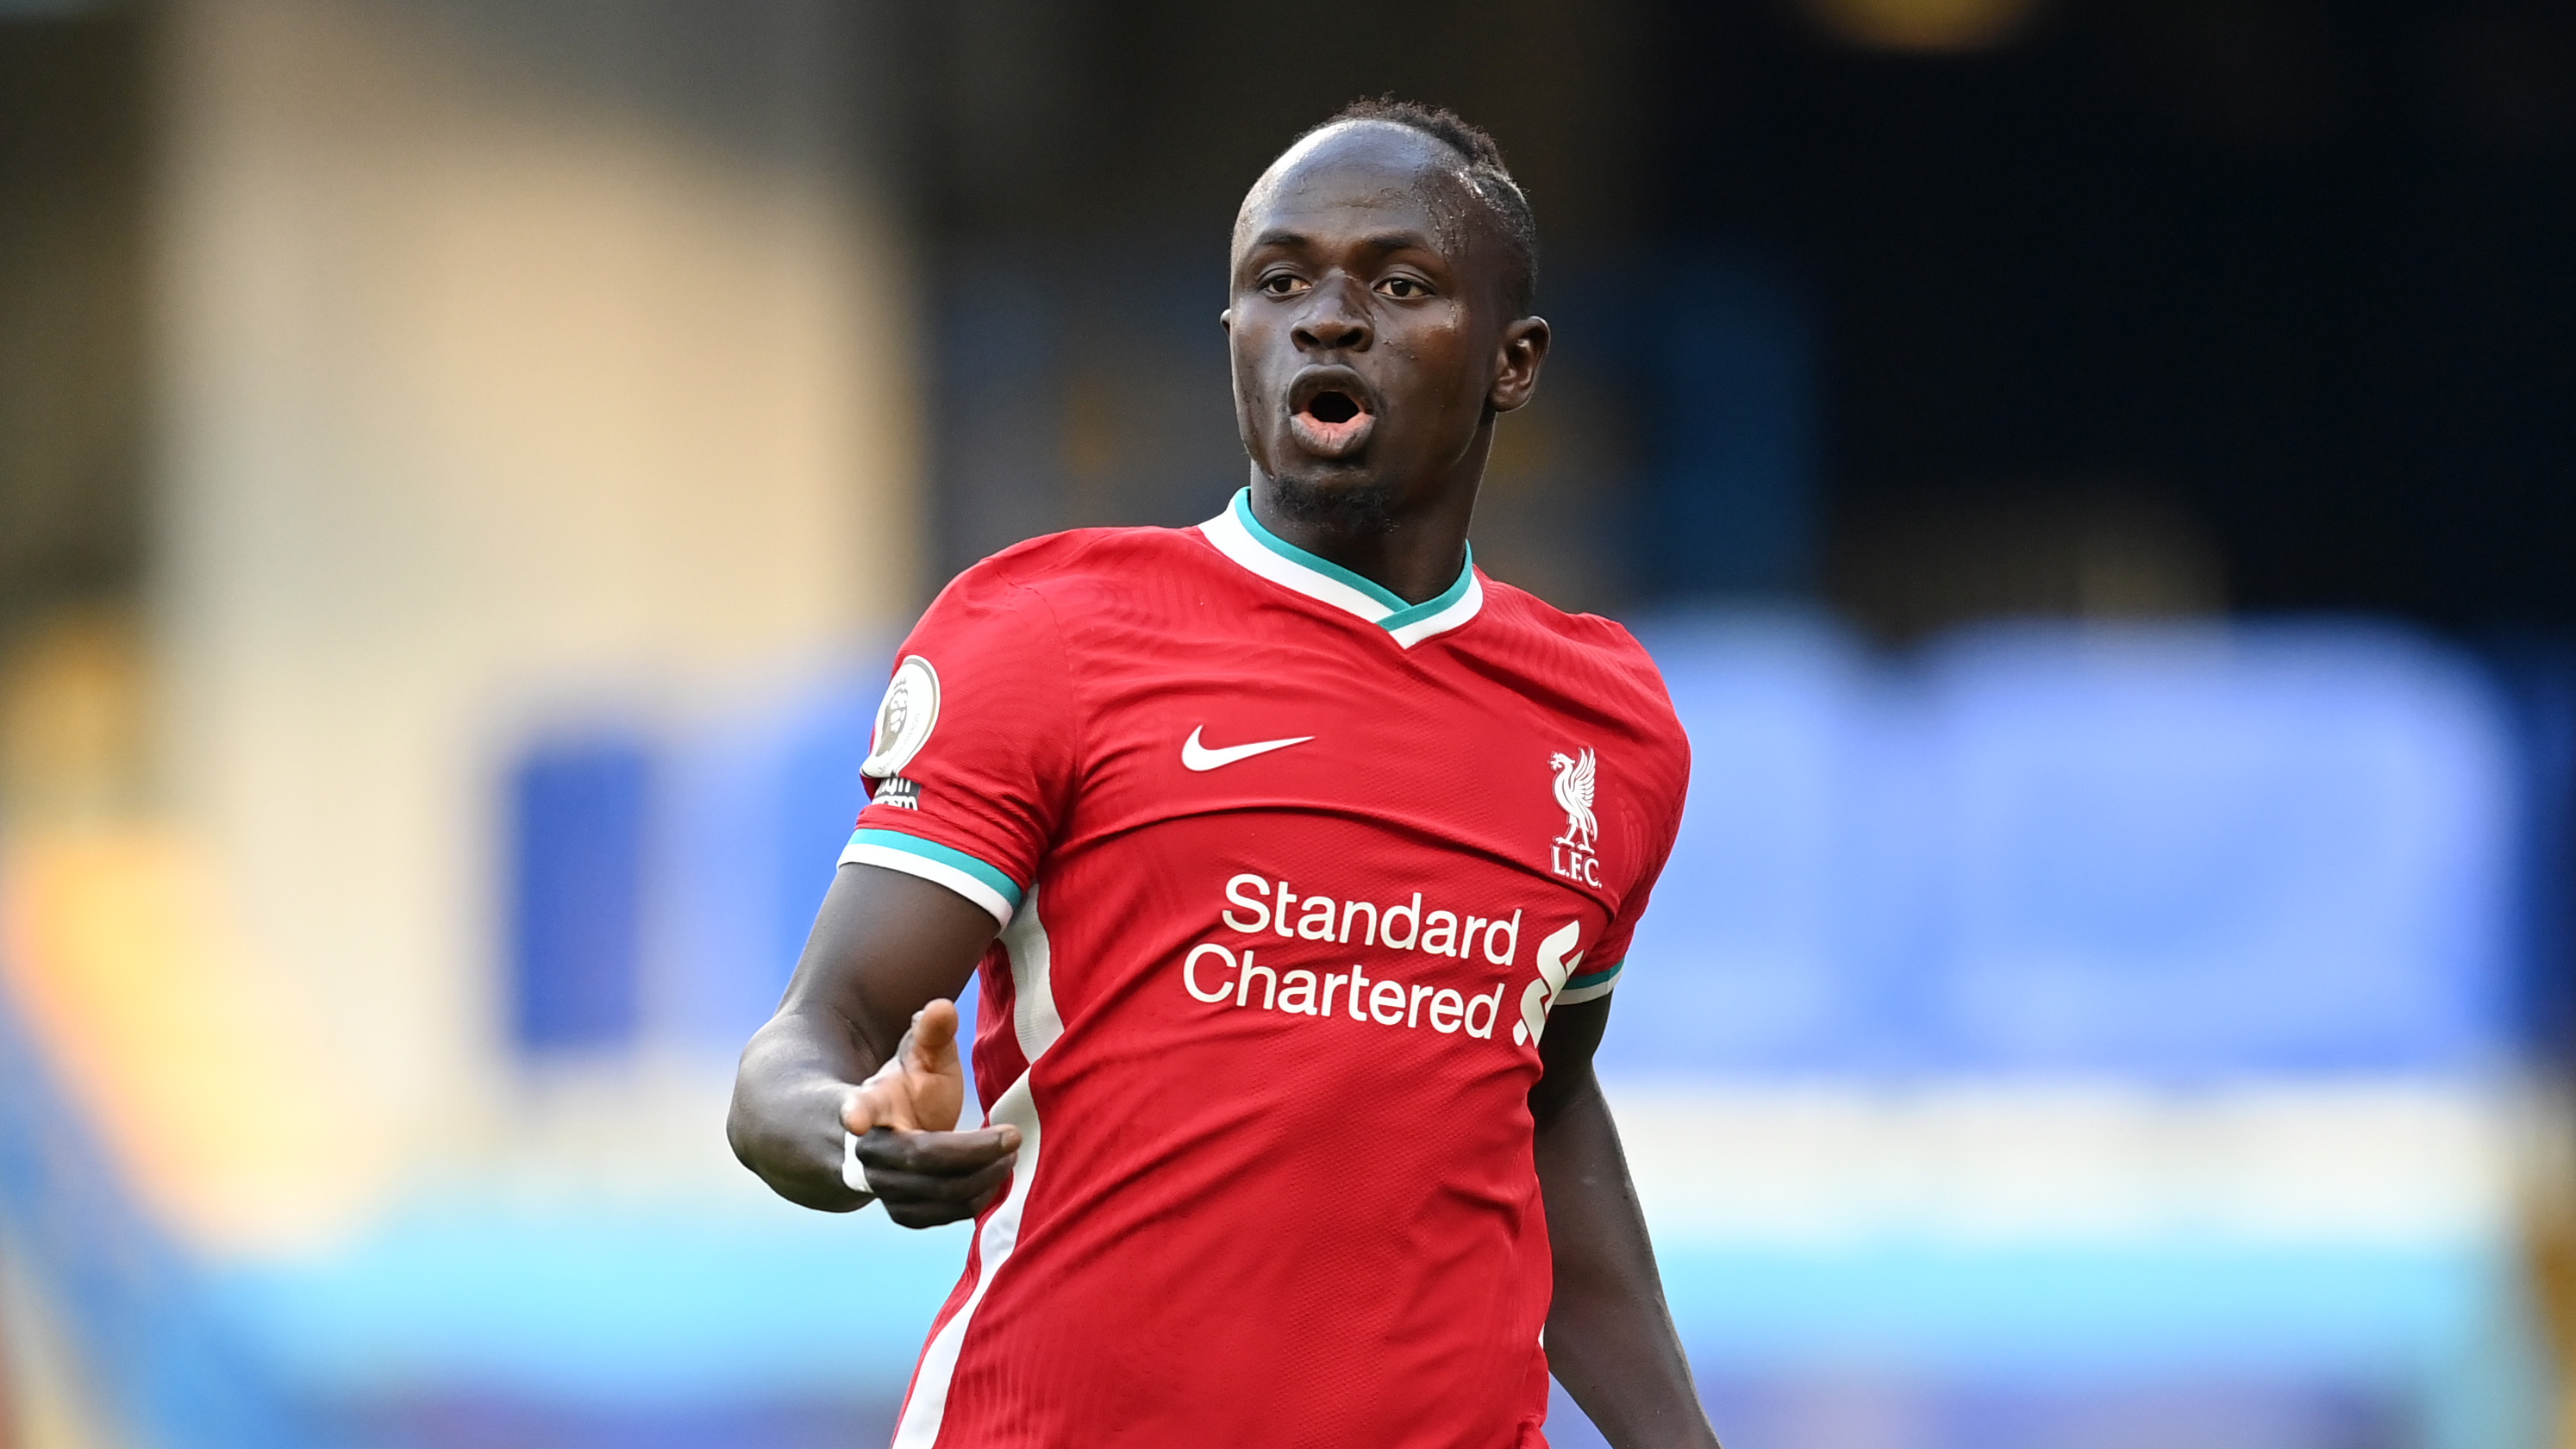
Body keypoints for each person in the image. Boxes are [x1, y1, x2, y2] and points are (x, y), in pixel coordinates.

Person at [728, 98, 1716, 1449]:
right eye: (1280, 281)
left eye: (1401, 284)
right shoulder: (1051, 633)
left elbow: (1539, 1099)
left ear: (1514, 360)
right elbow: (814, 1033)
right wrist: (855, 1132)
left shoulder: (1608, 724)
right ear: (1236, 333)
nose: (1327, 318)